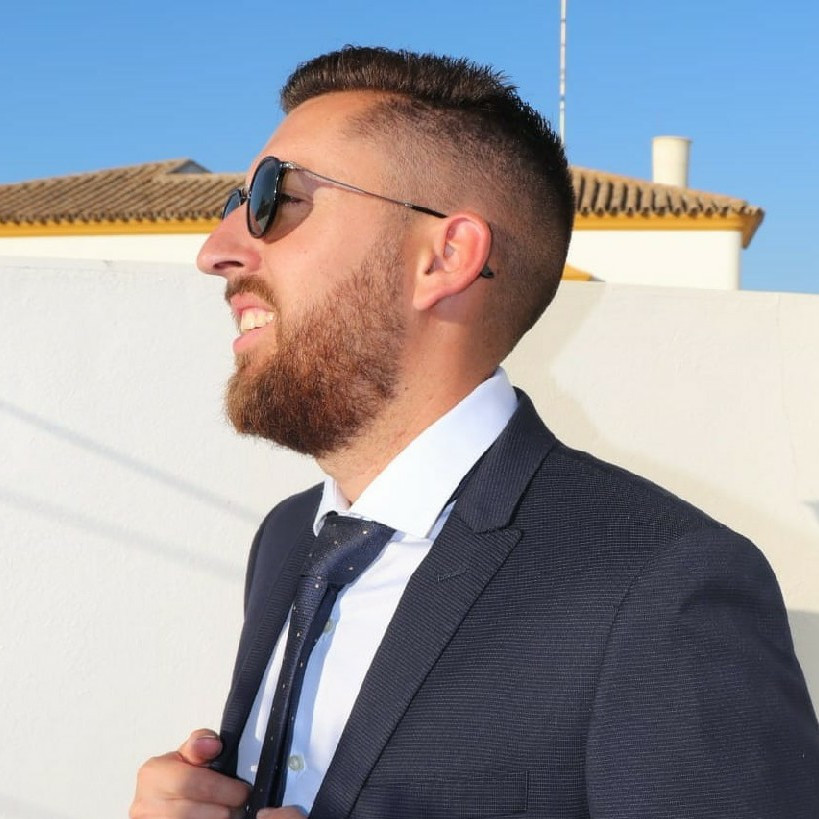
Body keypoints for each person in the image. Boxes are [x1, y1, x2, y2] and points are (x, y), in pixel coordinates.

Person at [130, 46, 819, 819]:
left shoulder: (663, 585)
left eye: (273, 196)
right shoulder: (289, 538)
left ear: (446, 256)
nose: (216, 249)